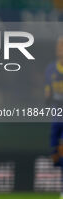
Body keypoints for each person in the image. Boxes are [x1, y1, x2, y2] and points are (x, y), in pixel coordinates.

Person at [45, 36, 63, 199]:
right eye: (59, 45)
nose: (60, 48)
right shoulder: (51, 69)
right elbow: (47, 94)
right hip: (56, 116)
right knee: (55, 154)